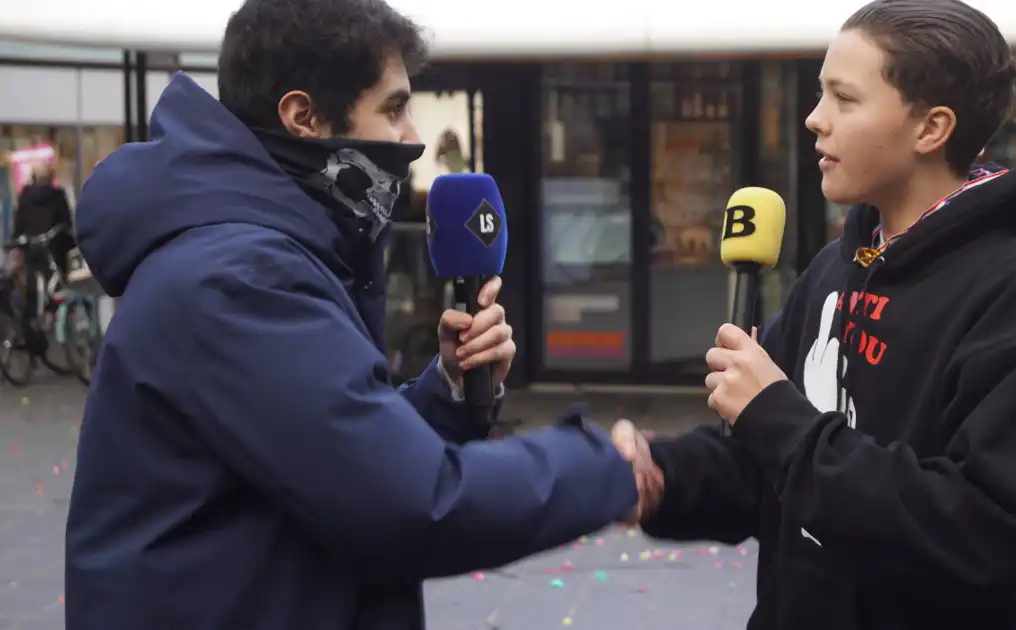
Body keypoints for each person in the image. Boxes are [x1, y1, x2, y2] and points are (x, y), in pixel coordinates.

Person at [65, 1, 643, 629]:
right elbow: (406, 503)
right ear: (303, 116)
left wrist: (449, 392)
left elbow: (326, 457)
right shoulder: (238, 276)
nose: (412, 136)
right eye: (394, 107)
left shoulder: (261, 249)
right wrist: (601, 469)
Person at [613, 1, 1016, 629]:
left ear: (931, 128)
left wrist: (778, 420)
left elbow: (989, 537)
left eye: (845, 99)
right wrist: (657, 477)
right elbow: (771, 468)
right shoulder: (833, 270)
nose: (814, 120)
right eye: (822, 95)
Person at [11, 163, 76, 352]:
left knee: (33, 286)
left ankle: (33, 325)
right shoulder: (58, 196)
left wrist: (18, 242)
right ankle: (50, 315)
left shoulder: (25, 196)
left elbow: (19, 222)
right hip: (54, 248)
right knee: (60, 284)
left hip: (32, 248)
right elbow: (66, 223)